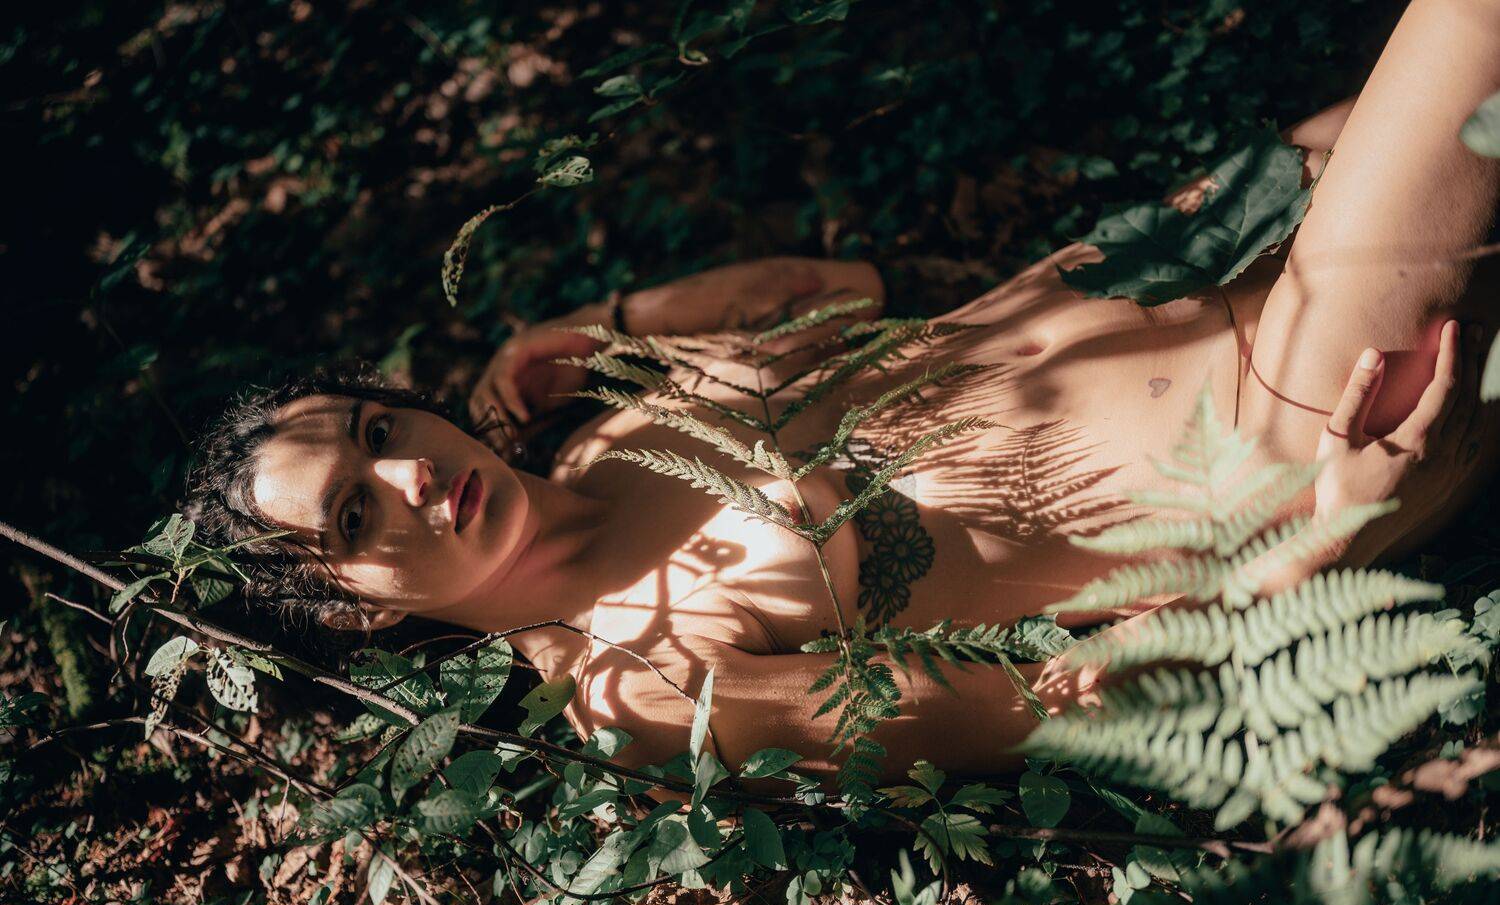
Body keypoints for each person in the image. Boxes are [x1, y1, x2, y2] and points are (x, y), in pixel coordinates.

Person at [186, 0, 1500, 790]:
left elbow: (839, 291)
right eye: (356, 515)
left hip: (1215, 233)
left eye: (378, 431)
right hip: (1311, 414)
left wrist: (606, 325)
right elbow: (1047, 715)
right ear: (356, 612)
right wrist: (1317, 550)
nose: (410, 472)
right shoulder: (639, 687)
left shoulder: (615, 433)